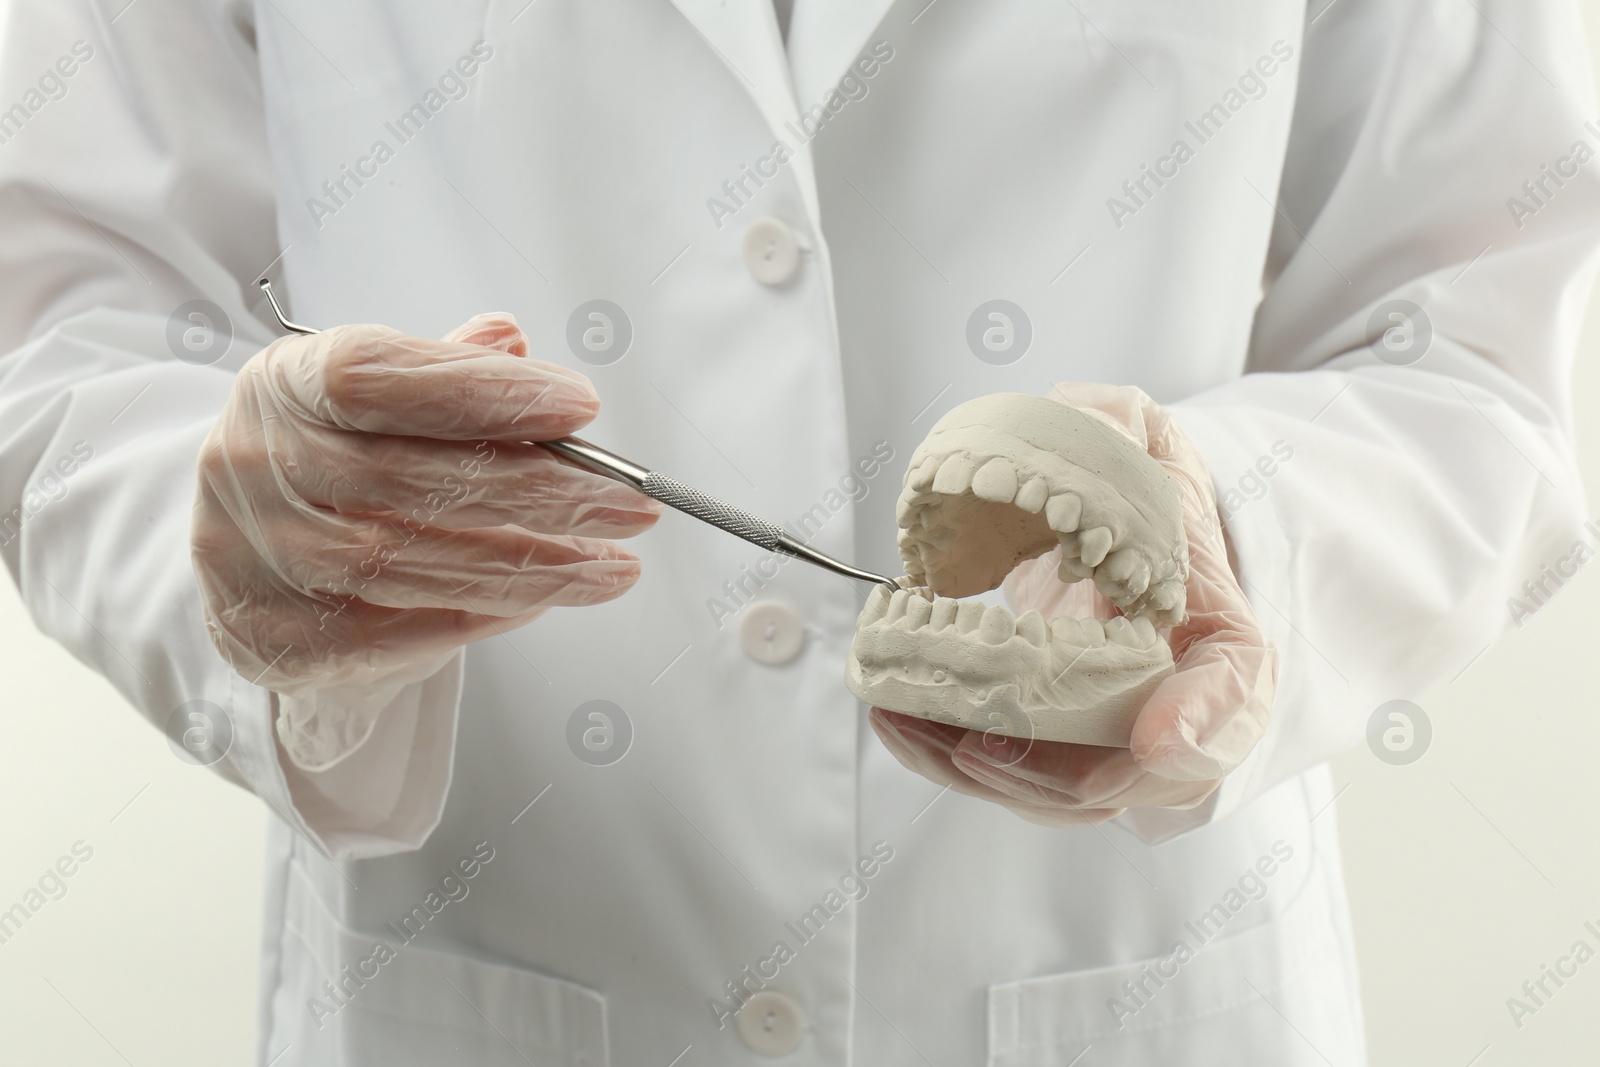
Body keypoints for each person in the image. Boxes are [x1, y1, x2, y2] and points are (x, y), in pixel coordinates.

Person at [1, 1, 1594, 1063]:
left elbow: (1485, 320)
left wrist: (1241, 541)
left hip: (1124, 975)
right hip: (473, 979)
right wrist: (228, 525)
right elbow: (66, 321)